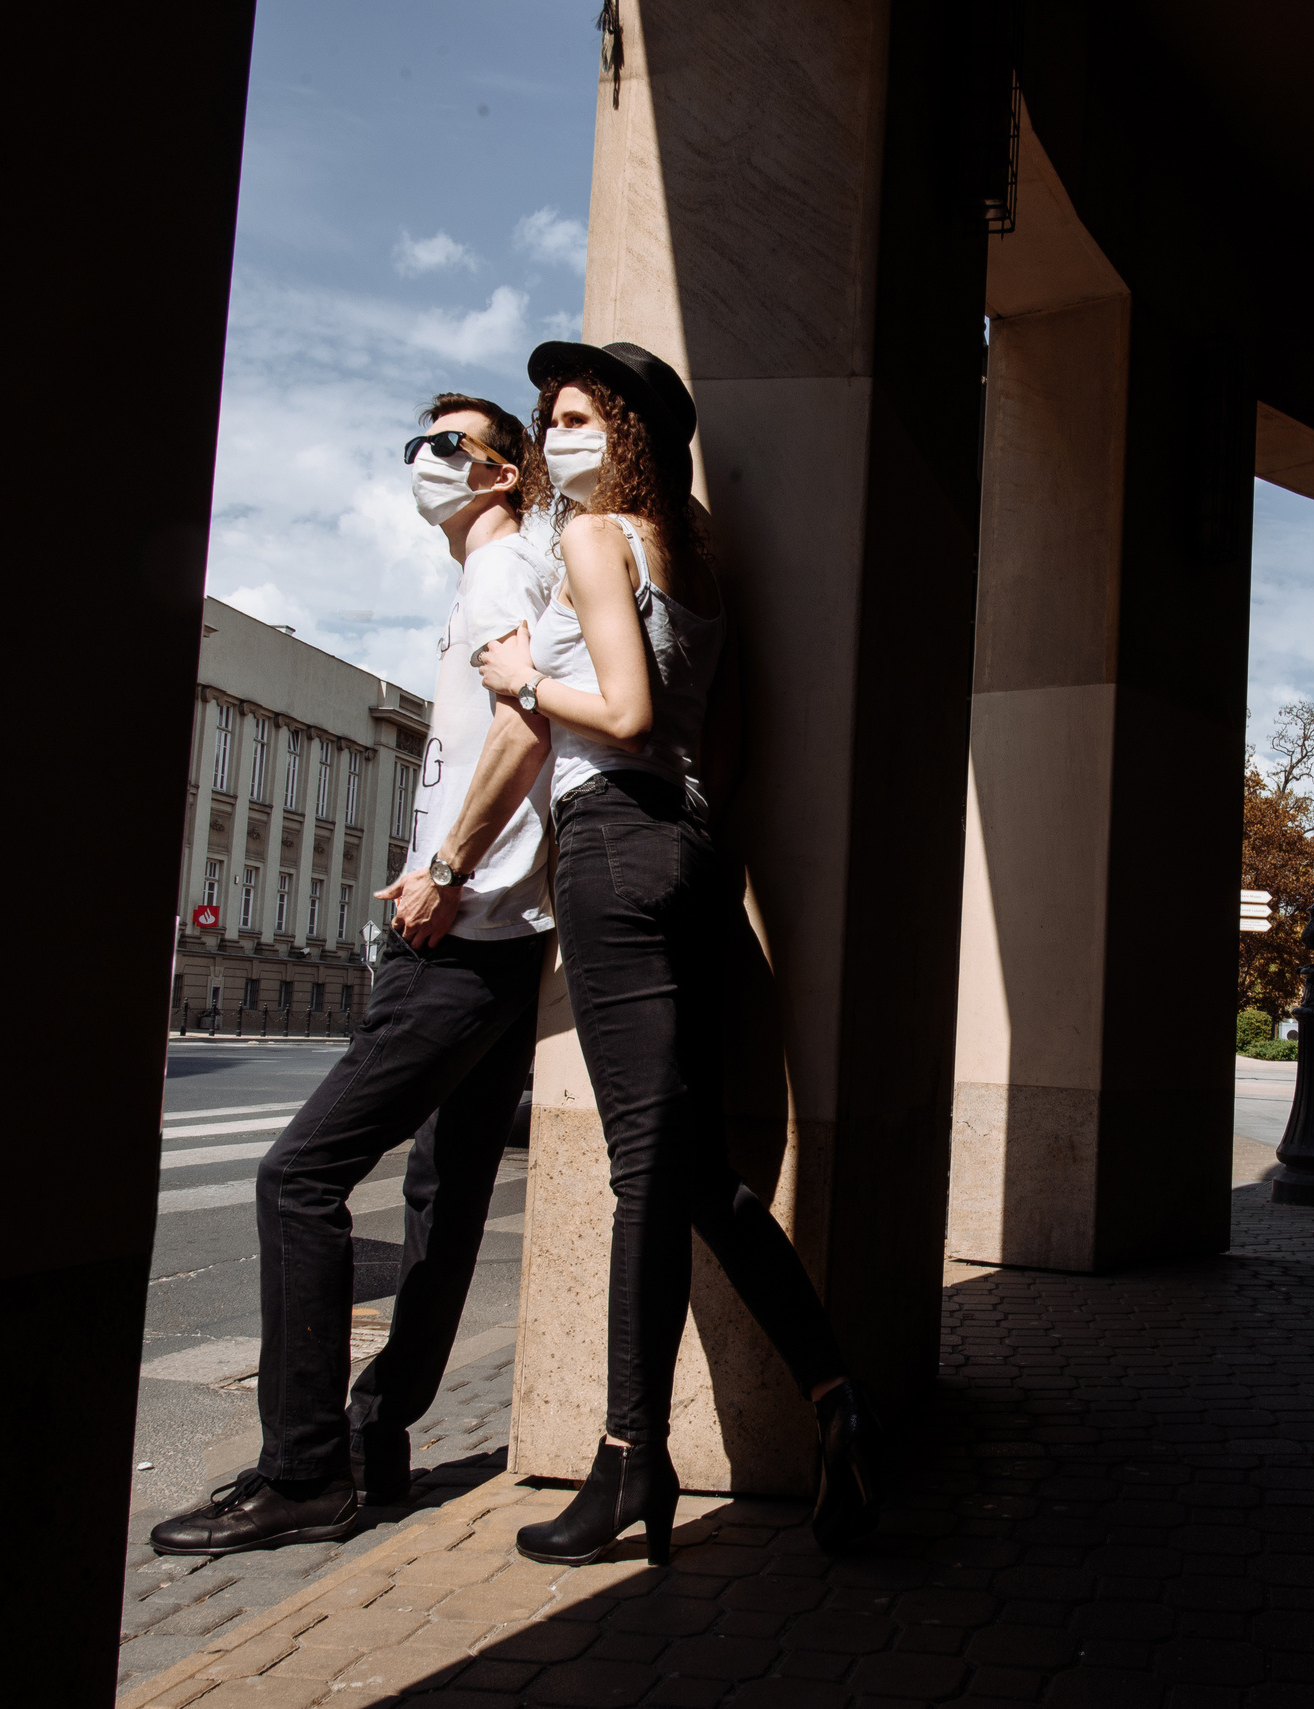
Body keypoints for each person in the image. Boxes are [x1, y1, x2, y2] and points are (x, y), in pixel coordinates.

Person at [470, 340, 880, 1564]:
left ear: (633, 431)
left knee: (645, 1168)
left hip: (611, 845)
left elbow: (632, 717)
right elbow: (724, 747)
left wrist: (522, 683)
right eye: (549, 414)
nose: (559, 432)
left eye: (579, 414)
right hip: (696, 860)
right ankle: (834, 1392)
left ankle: (628, 1457)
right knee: (698, 1175)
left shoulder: (596, 543)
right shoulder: (698, 556)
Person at [150, 395, 560, 1557]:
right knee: (445, 1194)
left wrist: (440, 866)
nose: (420, 464)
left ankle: (302, 1469)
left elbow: (524, 727)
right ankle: (376, 1440)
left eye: (446, 447)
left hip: (463, 934)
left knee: (298, 1177)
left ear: (498, 474)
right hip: (504, 933)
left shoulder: (497, 573)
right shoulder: (510, 569)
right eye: (413, 444)